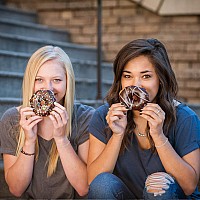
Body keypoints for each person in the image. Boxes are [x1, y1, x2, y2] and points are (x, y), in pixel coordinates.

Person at [87, 38, 200, 199]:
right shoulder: (106, 115)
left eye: (146, 76)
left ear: (160, 79)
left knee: (159, 184)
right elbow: (94, 181)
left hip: (169, 195)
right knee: (103, 183)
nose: (136, 85)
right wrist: (117, 135)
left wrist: (159, 135)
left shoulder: (184, 117)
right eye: (128, 76)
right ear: (120, 80)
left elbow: (189, 186)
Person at [0, 46, 95, 199]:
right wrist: (29, 141)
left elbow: (84, 188)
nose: (48, 89)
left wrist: (61, 139)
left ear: (67, 82)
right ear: (31, 81)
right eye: (39, 80)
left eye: (57, 80)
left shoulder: (85, 117)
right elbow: (16, 189)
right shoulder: (12, 119)